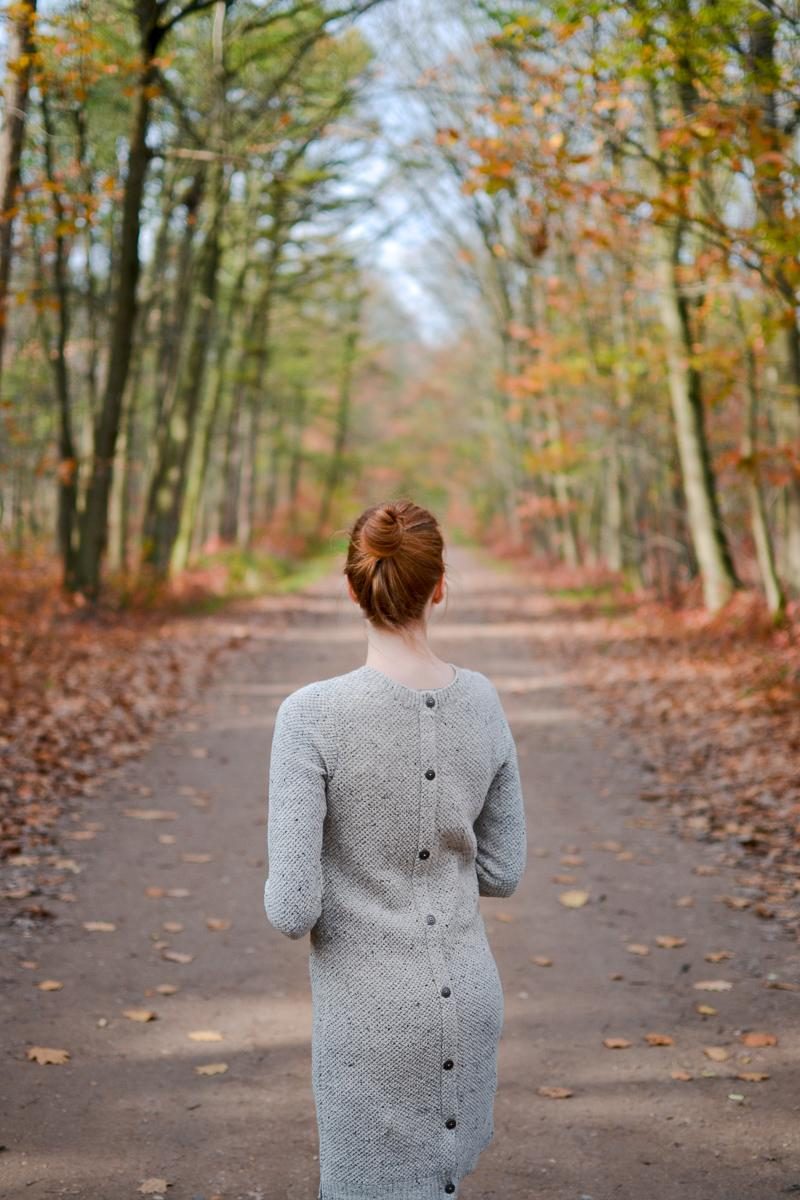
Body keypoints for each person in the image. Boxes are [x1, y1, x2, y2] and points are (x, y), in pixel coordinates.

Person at [264, 498, 527, 1200]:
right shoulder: (483, 701)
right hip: (469, 999)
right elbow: (504, 871)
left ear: (353, 587)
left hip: (368, 1022)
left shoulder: (311, 716)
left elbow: (292, 908)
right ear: (439, 586)